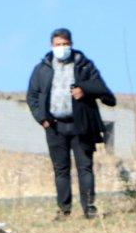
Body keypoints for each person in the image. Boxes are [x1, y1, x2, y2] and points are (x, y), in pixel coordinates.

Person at [26, 27, 116, 220]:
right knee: (61, 170)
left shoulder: (84, 65)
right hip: (54, 126)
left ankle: (89, 209)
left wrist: (84, 89)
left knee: (85, 167)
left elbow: (103, 90)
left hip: (81, 125)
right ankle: (64, 210)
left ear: (71, 44)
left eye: (65, 44)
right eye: (58, 44)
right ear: (51, 45)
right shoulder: (42, 68)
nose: (62, 48)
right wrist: (42, 118)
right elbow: (32, 95)